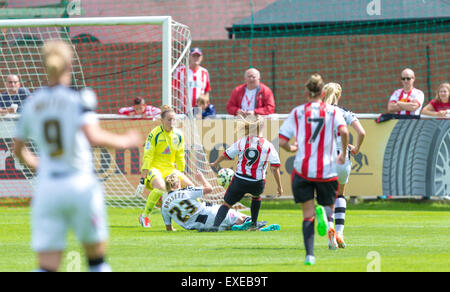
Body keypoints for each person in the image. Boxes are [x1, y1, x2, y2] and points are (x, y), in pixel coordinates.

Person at [12, 40, 142, 272]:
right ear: (70, 64)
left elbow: (19, 149)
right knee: (96, 261)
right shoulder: (79, 98)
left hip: (48, 186)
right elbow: (92, 136)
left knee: (47, 266)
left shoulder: (32, 103)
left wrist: (41, 167)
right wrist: (126, 141)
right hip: (79, 184)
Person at [278, 74, 349, 265]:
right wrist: (342, 154)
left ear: (306, 91)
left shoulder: (298, 112)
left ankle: (310, 255)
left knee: (307, 214)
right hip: (327, 170)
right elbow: (344, 131)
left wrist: (291, 148)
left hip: (303, 169)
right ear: (323, 92)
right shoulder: (333, 112)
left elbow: (282, 141)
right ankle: (327, 218)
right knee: (331, 205)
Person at [207, 115, 283, 232]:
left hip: (240, 180)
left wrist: (215, 162)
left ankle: (215, 226)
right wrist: (279, 186)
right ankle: (253, 225)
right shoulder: (268, 146)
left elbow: (226, 154)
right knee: (256, 197)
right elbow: (275, 168)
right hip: (257, 182)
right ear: (262, 127)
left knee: (226, 204)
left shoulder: (243, 141)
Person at [135, 105, 195, 228]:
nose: (172, 122)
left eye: (174, 120)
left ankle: (199, 215)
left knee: (191, 187)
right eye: (169, 120)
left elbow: (180, 155)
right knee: (161, 187)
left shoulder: (178, 135)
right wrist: (143, 178)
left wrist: (181, 173)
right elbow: (148, 156)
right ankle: (144, 216)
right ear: (161, 120)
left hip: (170, 169)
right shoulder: (154, 134)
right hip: (154, 168)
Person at [322, 82, 366, 249]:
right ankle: (340, 232)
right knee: (340, 195)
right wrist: (356, 148)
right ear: (339, 96)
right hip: (343, 160)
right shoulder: (345, 112)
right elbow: (361, 132)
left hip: (325, 160)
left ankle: (330, 227)